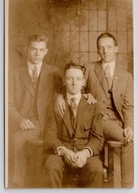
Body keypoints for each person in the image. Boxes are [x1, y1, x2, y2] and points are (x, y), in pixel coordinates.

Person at [55, 32, 134, 188]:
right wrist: (59, 96)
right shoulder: (90, 67)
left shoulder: (126, 76)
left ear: (116, 48)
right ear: (97, 50)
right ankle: (127, 186)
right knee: (129, 141)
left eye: (109, 47)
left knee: (131, 137)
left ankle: (128, 186)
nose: (105, 51)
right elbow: (72, 83)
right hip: (94, 119)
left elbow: (129, 106)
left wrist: (129, 126)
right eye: (101, 48)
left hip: (116, 122)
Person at [9, 33, 61, 187]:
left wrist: (60, 97)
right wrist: (20, 119)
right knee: (17, 140)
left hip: (49, 123)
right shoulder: (13, 73)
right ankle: (16, 185)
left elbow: (67, 92)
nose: (37, 54)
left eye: (41, 49)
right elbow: (7, 103)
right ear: (26, 49)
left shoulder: (54, 72)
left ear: (46, 51)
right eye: (33, 49)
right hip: (26, 122)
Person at [43, 62, 104, 188]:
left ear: (83, 82)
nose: (74, 83)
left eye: (78, 79)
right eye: (70, 78)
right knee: (51, 165)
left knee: (96, 168)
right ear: (64, 81)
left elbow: (98, 138)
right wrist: (64, 151)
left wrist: (85, 153)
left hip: (84, 152)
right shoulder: (55, 105)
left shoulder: (92, 106)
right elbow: (49, 137)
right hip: (61, 152)